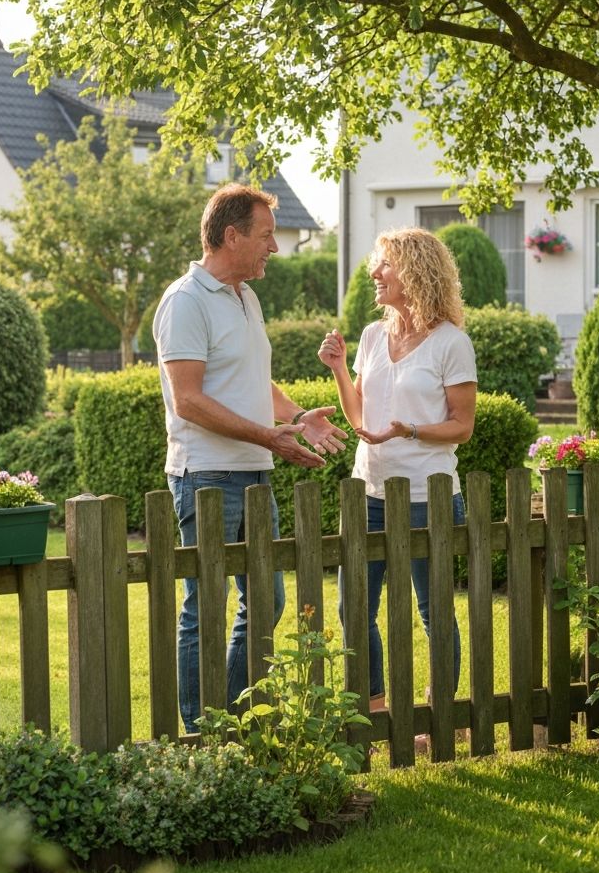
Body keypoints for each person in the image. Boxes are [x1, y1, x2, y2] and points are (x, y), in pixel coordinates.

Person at [153, 182, 347, 733]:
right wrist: (268, 436)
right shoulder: (186, 301)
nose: (276, 248)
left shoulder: (246, 296)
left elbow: (253, 381)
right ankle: (201, 732)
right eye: (266, 236)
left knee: (266, 600)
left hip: (253, 472)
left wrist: (298, 415)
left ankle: (237, 717)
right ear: (231, 235)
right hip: (207, 475)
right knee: (205, 607)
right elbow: (188, 400)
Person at [318, 227, 476, 713]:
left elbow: (462, 426)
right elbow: (362, 417)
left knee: (434, 613)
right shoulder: (370, 335)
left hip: (428, 496)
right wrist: (340, 369)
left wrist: (409, 430)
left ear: (414, 271)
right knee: (355, 609)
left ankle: (439, 713)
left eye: (384, 264)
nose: (374, 273)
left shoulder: (450, 343)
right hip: (368, 493)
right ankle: (376, 708)